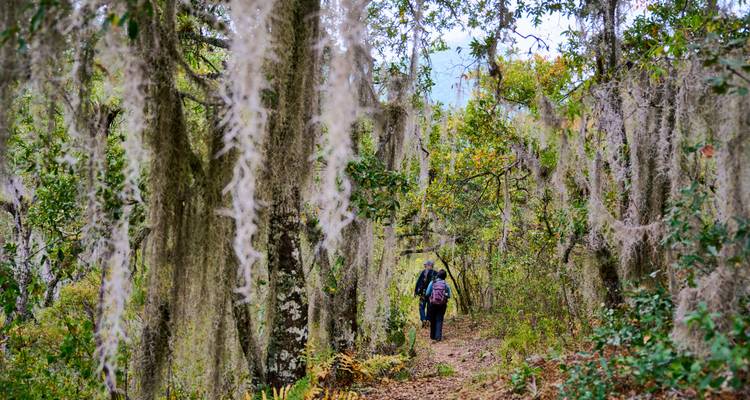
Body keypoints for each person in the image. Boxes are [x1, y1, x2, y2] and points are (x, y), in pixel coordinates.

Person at [425, 269, 451, 341]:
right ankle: (438, 337)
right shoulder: (446, 284)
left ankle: (432, 336)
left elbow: (427, 293)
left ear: (438, 275)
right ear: (445, 277)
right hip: (442, 305)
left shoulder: (432, 282)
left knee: (432, 319)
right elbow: (449, 295)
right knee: (439, 319)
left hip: (432, 304)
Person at [414, 260, 437, 328]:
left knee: (421, 307)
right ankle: (428, 320)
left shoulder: (423, 272)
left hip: (423, 293)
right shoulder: (436, 273)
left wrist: (415, 292)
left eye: (426, 265)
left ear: (429, 265)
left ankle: (423, 319)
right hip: (431, 294)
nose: (425, 266)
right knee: (429, 307)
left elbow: (418, 282)